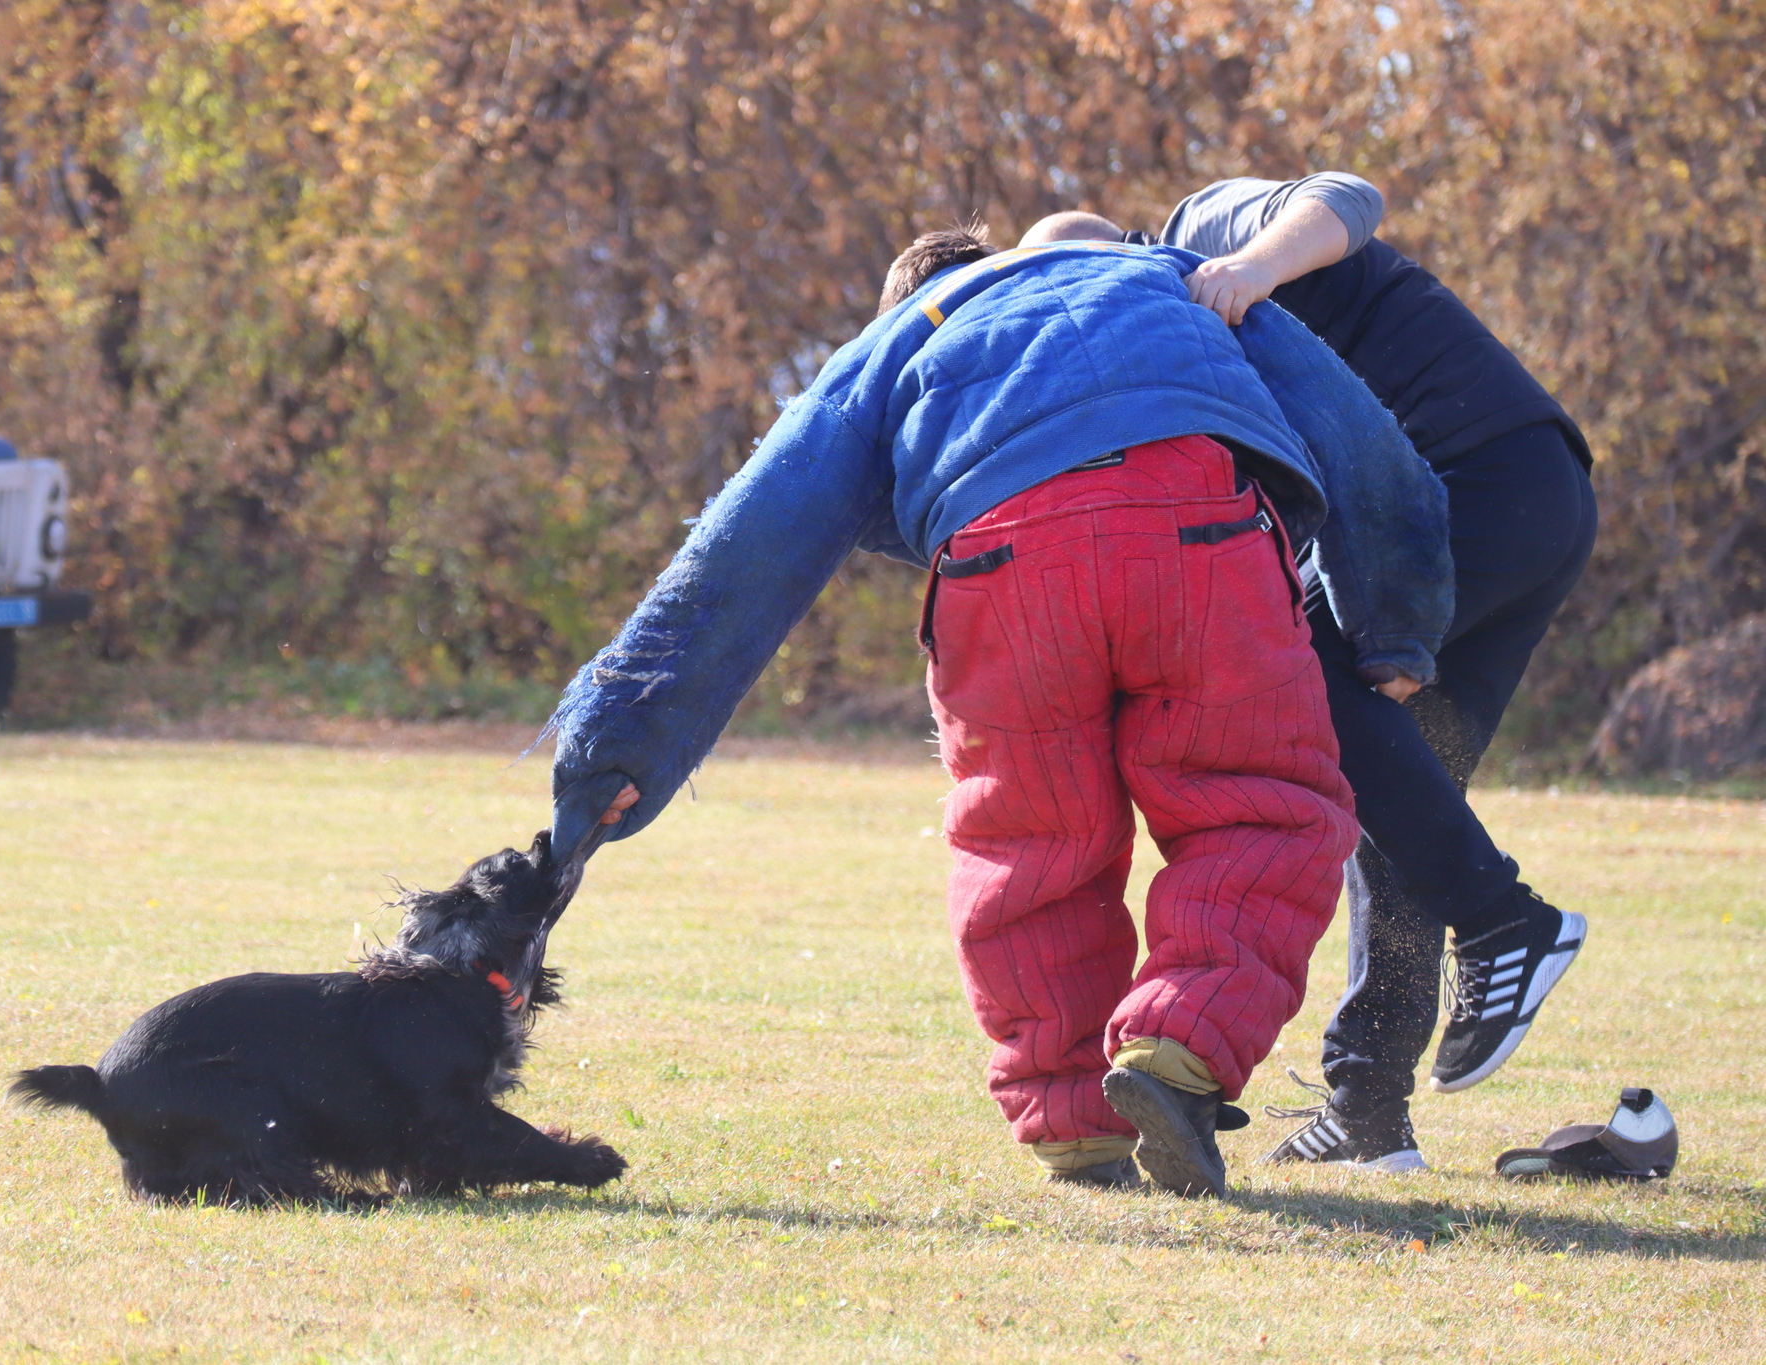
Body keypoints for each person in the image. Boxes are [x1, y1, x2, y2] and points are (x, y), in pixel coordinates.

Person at [548, 223, 1453, 1197]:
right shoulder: (1166, 274)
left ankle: (1075, 1127)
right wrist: (1397, 625)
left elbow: (754, 530)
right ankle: (1174, 1050)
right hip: (1194, 526)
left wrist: (619, 746)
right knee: (1254, 805)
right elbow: (1356, 434)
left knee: (1029, 845)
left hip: (997, 554)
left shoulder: (900, 338)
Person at [1021, 174, 1597, 1171]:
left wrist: (1245, 268)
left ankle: (1508, 924)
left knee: (1306, 682)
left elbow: (1347, 196)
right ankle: (1367, 1114)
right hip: (1523, 506)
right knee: (1401, 802)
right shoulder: (1160, 360)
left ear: (1117, 253)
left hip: (1475, 485)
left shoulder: (1201, 236)